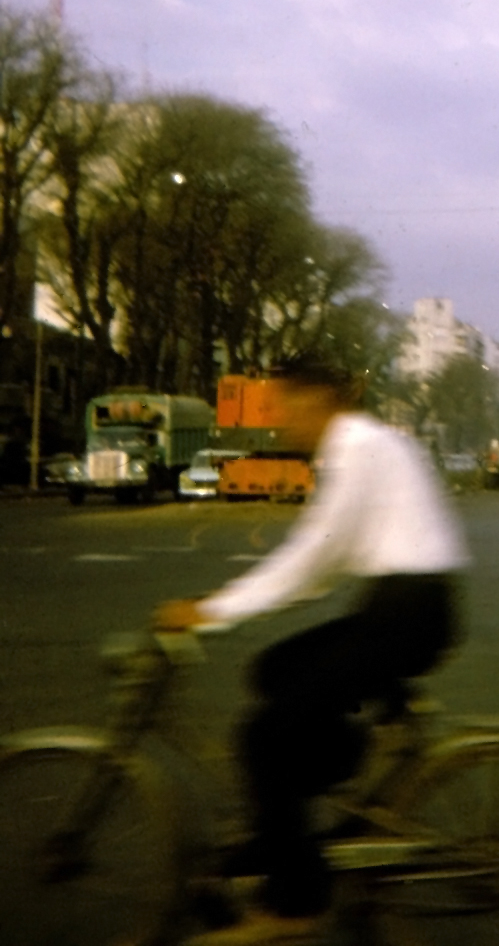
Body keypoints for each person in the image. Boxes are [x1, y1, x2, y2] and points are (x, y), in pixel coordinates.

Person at [155, 356, 470, 946]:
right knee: (273, 671)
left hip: (405, 613)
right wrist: (226, 607)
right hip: (405, 607)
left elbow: (311, 561)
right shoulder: (369, 443)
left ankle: (295, 901)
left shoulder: (356, 449)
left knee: (262, 738)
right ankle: (311, 805)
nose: (278, 419)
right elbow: (322, 566)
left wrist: (212, 610)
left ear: (318, 399)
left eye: (284, 404)